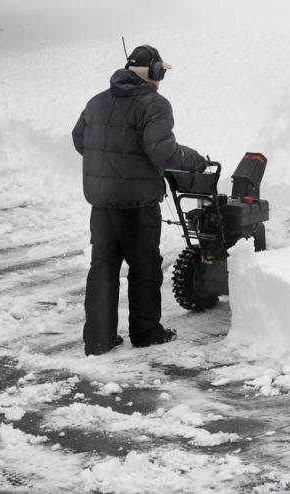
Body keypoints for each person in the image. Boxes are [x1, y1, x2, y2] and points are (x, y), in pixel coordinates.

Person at [72, 44, 207, 356]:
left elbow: (80, 139)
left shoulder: (96, 102)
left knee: (103, 267)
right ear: (154, 72)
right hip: (137, 204)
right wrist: (195, 160)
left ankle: (98, 339)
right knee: (144, 267)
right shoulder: (154, 104)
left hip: (102, 203)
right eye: (161, 72)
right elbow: (163, 151)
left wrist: (109, 168)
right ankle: (146, 333)